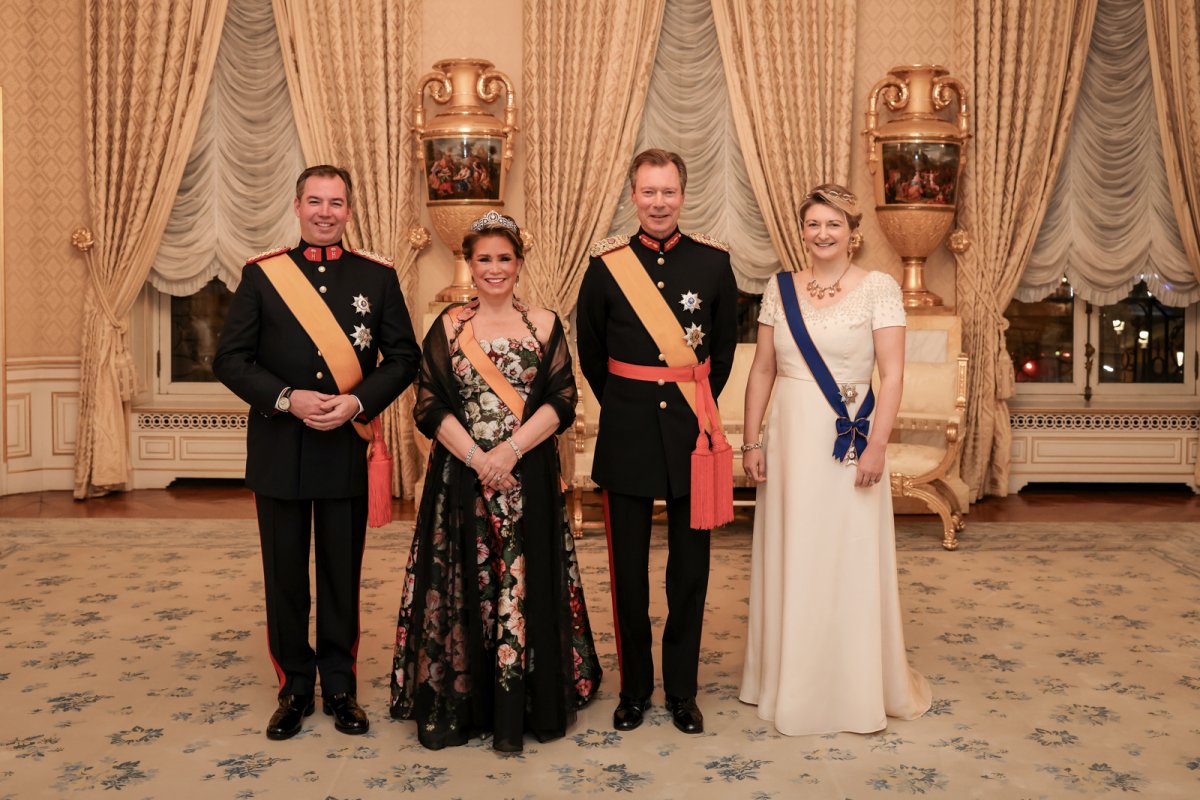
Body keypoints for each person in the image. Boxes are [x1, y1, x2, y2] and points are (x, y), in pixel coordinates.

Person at [213, 165, 421, 741]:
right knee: (284, 577)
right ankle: (294, 686)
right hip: (280, 445)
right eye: (315, 201)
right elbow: (230, 360)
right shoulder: (262, 275)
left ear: (348, 210)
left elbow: (403, 358)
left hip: (343, 450)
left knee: (339, 575)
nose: (325, 212)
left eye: (336, 202)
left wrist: (356, 404)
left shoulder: (376, 276)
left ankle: (342, 684)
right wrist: (287, 398)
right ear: (297, 206)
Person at [389, 211, 602, 752]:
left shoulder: (548, 324)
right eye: (483, 259)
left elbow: (562, 400)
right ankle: (471, 698)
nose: (493, 268)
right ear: (470, 263)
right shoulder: (449, 326)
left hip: (526, 472)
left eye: (503, 258)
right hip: (461, 477)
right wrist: (479, 458)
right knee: (467, 583)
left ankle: (526, 697)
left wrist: (508, 451)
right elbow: (429, 401)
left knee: (523, 580)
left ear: (519, 263)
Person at [738, 183, 931, 736]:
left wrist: (877, 444)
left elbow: (892, 375)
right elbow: (763, 371)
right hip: (791, 439)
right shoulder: (779, 289)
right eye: (813, 224)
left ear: (853, 233)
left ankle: (850, 682)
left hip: (851, 439)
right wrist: (752, 441)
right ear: (802, 231)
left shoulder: (879, 288)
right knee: (794, 549)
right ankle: (785, 678)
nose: (822, 234)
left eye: (833, 225)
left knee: (844, 552)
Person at [576, 149, 739, 735]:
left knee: (689, 572)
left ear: (683, 194)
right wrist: (627, 404)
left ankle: (683, 692)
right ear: (633, 195)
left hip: (692, 436)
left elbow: (721, 353)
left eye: (668, 191)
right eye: (648, 192)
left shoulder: (714, 264)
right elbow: (592, 353)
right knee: (628, 574)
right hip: (628, 435)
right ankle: (636, 690)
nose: (659, 202)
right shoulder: (606, 267)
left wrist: (694, 406)